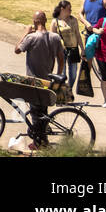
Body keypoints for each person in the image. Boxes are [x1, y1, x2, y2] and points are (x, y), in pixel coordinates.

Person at [15, 10, 66, 141]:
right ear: (45, 21)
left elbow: (17, 50)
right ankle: (42, 137)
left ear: (34, 22)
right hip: (48, 81)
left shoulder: (31, 37)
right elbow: (61, 59)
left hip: (34, 82)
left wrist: (25, 33)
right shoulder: (55, 37)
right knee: (42, 112)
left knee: (36, 114)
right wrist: (58, 76)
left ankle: (41, 142)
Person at [51, 0, 82, 92]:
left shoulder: (73, 20)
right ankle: (63, 94)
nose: (70, 11)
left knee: (73, 74)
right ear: (62, 9)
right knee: (63, 74)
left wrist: (82, 49)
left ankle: (69, 90)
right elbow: (53, 39)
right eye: (69, 9)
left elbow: (78, 35)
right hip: (61, 51)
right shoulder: (55, 22)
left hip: (73, 49)